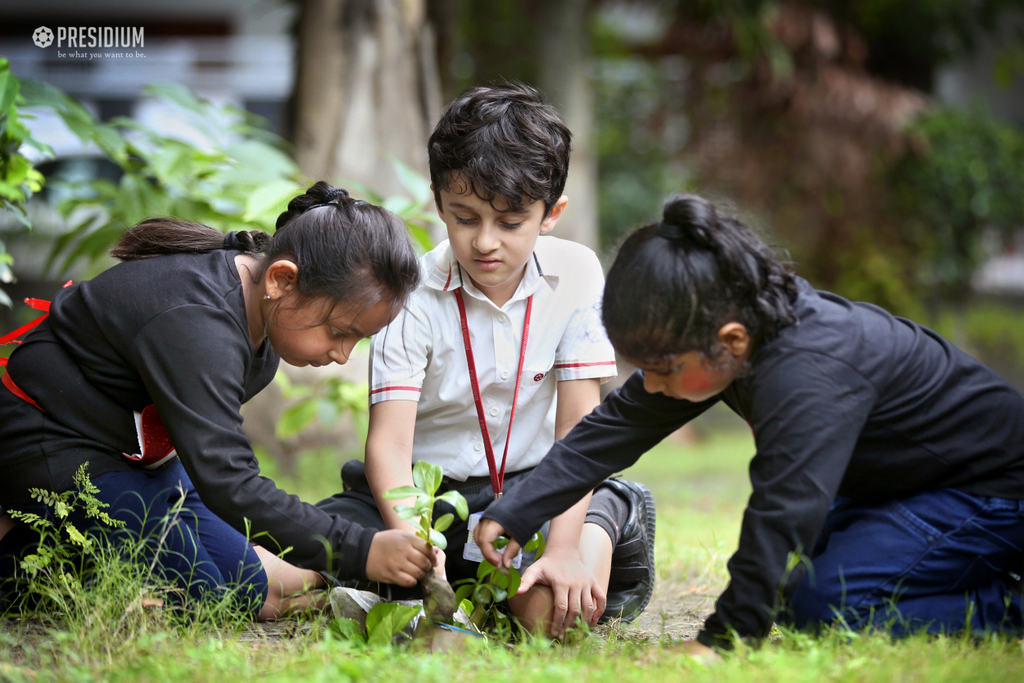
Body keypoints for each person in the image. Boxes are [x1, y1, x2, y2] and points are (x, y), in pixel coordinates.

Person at [475, 193, 1024, 653]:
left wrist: (722, 641)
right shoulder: (732, 335)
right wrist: (521, 509)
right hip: (905, 487)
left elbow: (782, 511)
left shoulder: (807, 369)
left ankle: (1010, 604)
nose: (653, 385)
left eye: (662, 370)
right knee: (785, 580)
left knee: (823, 605)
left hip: (991, 490)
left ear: (730, 340)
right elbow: (615, 426)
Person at [0, 182, 438, 620]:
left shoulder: (262, 318)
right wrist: (359, 550)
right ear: (282, 279)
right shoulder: (198, 322)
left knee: (249, 588)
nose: (342, 354)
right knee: (208, 593)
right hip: (50, 441)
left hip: (138, 456)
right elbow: (228, 479)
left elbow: (215, 464)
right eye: (340, 332)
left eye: (357, 340)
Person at [317, 82, 656, 638]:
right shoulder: (411, 289)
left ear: (552, 213)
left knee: (551, 619)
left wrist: (564, 548)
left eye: (511, 222)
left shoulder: (576, 273)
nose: (485, 243)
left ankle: (599, 525)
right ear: (438, 201)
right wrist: (410, 542)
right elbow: (390, 444)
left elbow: (577, 428)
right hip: (420, 497)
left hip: (543, 488)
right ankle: (411, 589)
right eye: (465, 217)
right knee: (286, 571)